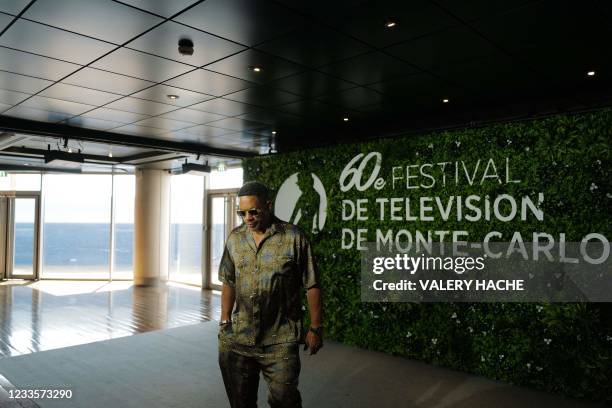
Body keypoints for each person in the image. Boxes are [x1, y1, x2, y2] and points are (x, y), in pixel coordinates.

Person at [218, 181, 323, 408]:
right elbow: (228, 280)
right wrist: (225, 319)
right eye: (242, 213)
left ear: (268, 205)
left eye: (253, 211)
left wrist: (315, 328)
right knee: (240, 403)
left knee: (285, 401)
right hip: (238, 339)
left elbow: (312, 284)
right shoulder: (235, 239)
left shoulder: (294, 238)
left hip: (280, 340)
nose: (248, 217)